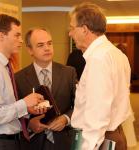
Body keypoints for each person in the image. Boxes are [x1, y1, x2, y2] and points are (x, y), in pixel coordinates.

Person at [0, 14, 46, 150]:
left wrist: (26, 109)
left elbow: (4, 108)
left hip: (7, 142)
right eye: (16, 35)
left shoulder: (3, 67)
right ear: (1, 37)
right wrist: (24, 103)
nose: (21, 41)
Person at [69, 3, 132, 150]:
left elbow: (97, 115)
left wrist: (86, 147)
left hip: (100, 140)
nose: (70, 33)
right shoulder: (117, 54)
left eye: (72, 28)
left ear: (84, 30)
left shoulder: (98, 59)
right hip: (114, 135)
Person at [15, 28, 77, 150]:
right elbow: (15, 110)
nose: (47, 48)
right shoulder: (18, 78)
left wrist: (66, 119)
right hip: (32, 143)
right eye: (40, 45)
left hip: (63, 141)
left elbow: (80, 105)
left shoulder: (68, 73)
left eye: (49, 43)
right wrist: (28, 124)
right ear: (29, 50)